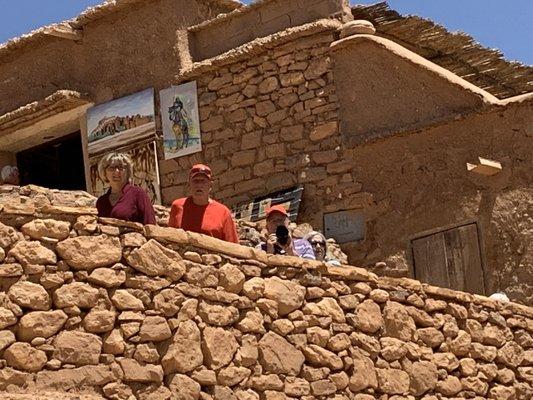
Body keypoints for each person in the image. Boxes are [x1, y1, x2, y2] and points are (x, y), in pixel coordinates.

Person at [168, 164, 238, 243]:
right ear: (189, 185)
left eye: (203, 181)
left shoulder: (223, 212)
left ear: (210, 185)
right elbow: (171, 238)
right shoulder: (177, 207)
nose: (199, 185)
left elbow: (233, 245)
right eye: (195, 181)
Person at [96, 152, 156, 225]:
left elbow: (150, 224)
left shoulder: (137, 194)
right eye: (111, 168)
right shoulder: (101, 202)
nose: (117, 171)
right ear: (104, 172)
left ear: (127, 171)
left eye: (121, 167)